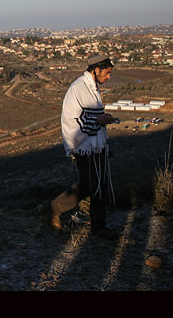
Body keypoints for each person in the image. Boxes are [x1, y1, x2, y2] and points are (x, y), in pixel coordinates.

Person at [48, 54, 119, 240]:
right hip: (84, 147)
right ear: (96, 70)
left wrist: (102, 119)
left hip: (97, 145)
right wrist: (99, 120)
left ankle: (99, 226)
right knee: (88, 185)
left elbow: (89, 115)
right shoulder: (79, 88)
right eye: (107, 73)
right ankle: (56, 207)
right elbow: (72, 120)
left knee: (100, 185)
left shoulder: (92, 87)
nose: (108, 77)